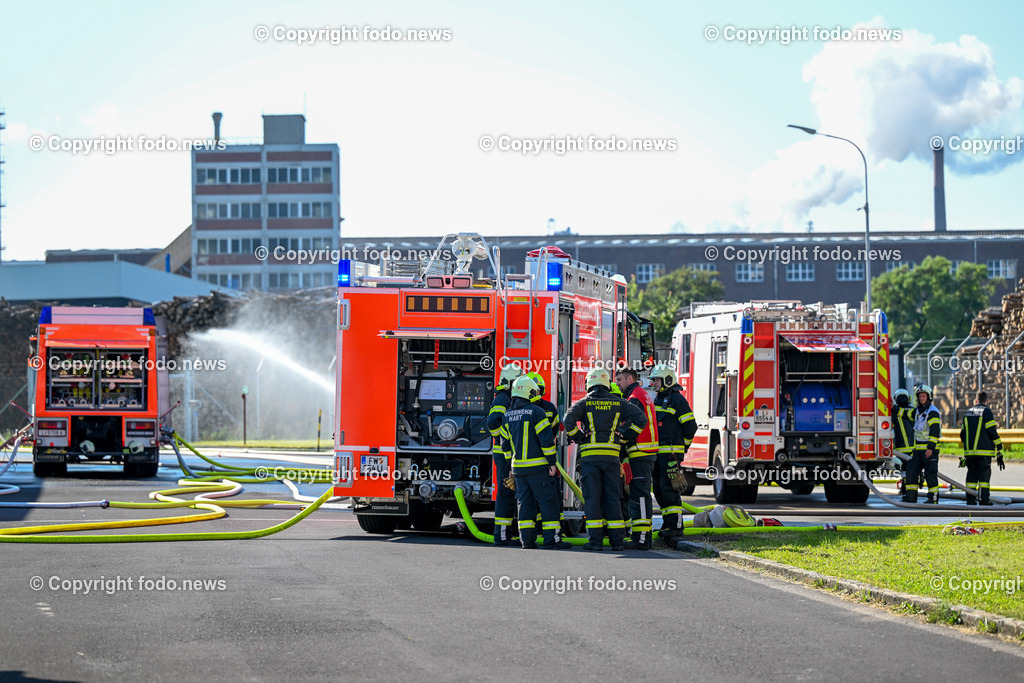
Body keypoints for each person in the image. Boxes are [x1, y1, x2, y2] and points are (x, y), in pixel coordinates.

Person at [564, 367, 647, 551]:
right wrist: (624, 435)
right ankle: (617, 542)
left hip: (590, 459)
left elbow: (568, 419)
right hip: (611, 459)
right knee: (613, 498)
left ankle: (595, 542)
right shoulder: (618, 403)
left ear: (589, 383)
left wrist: (579, 437)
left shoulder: (584, 403)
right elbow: (641, 419)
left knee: (593, 498)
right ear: (606, 383)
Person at [500, 376, 571, 549]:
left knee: (524, 504)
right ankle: (552, 540)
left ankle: (527, 541)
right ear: (530, 392)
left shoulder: (507, 415)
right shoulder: (537, 412)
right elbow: (546, 441)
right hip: (538, 467)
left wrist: (510, 465)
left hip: (518, 469)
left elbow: (505, 445)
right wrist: (552, 462)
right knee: (548, 502)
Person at [614, 367, 660, 550]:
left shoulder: (634, 398)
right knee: (641, 495)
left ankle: (641, 539)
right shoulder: (642, 394)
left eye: (620, 380)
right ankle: (643, 536)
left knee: (639, 496)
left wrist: (622, 435)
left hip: (641, 451)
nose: (617, 384)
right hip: (645, 451)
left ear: (630, 378)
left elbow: (635, 423)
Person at [650, 364, 697, 533]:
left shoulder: (677, 399)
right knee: (659, 489)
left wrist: (682, 446)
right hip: (658, 454)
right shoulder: (659, 398)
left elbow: (691, 426)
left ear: (667, 380)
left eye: (656, 379)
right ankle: (667, 524)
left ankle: (676, 526)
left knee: (669, 489)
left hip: (670, 455)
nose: (654, 383)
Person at [486, 363, 523, 545]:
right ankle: (501, 536)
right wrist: (503, 438)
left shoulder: (506, 396)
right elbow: (493, 421)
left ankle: (506, 534)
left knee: (511, 492)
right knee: (506, 493)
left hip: (509, 453)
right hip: (504, 455)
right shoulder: (503, 398)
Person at [959, 391, 1005, 506]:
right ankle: (984, 500)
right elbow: (991, 430)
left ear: (976, 401)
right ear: (986, 401)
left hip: (969, 453)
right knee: (984, 477)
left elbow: (962, 434)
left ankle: (970, 499)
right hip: (984, 453)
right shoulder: (987, 411)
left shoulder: (968, 412)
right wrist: (999, 446)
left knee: (971, 476)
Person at [906, 384, 942, 504]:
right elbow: (905, 413)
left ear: (929, 397)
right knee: (911, 471)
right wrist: (893, 408)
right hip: (918, 450)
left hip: (929, 450)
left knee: (930, 475)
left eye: (923, 396)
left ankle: (933, 498)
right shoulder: (917, 411)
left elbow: (935, 432)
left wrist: (930, 449)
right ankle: (911, 497)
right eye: (920, 396)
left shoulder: (933, 412)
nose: (921, 398)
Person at [891, 388, 916, 502]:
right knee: (913, 470)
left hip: (901, 448)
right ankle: (911, 490)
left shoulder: (895, 412)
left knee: (905, 471)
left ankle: (905, 490)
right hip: (916, 447)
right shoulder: (914, 411)